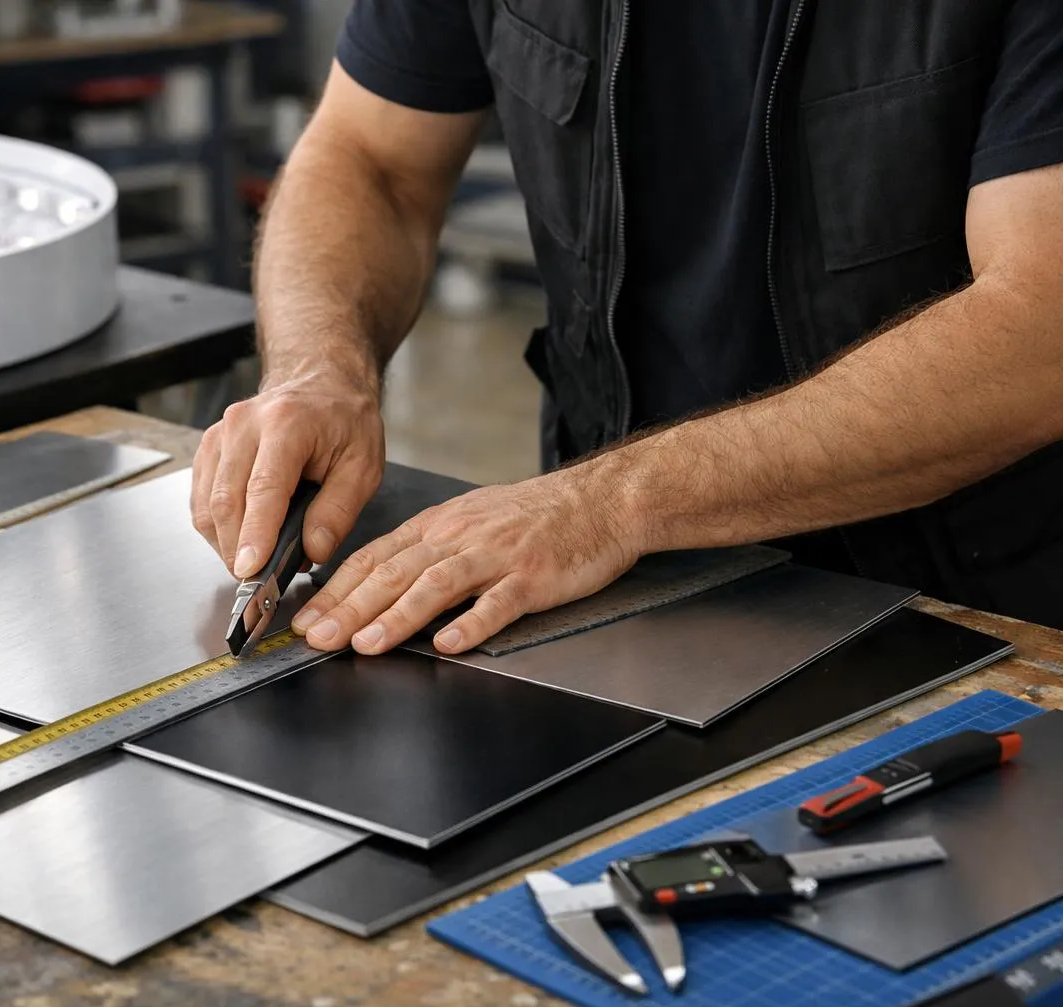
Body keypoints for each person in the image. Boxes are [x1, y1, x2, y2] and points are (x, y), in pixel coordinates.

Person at [191, 0, 1063, 656]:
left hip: (967, 610)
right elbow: (370, 157)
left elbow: (1041, 324)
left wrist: (609, 504)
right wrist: (320, 369)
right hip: (611, 588)